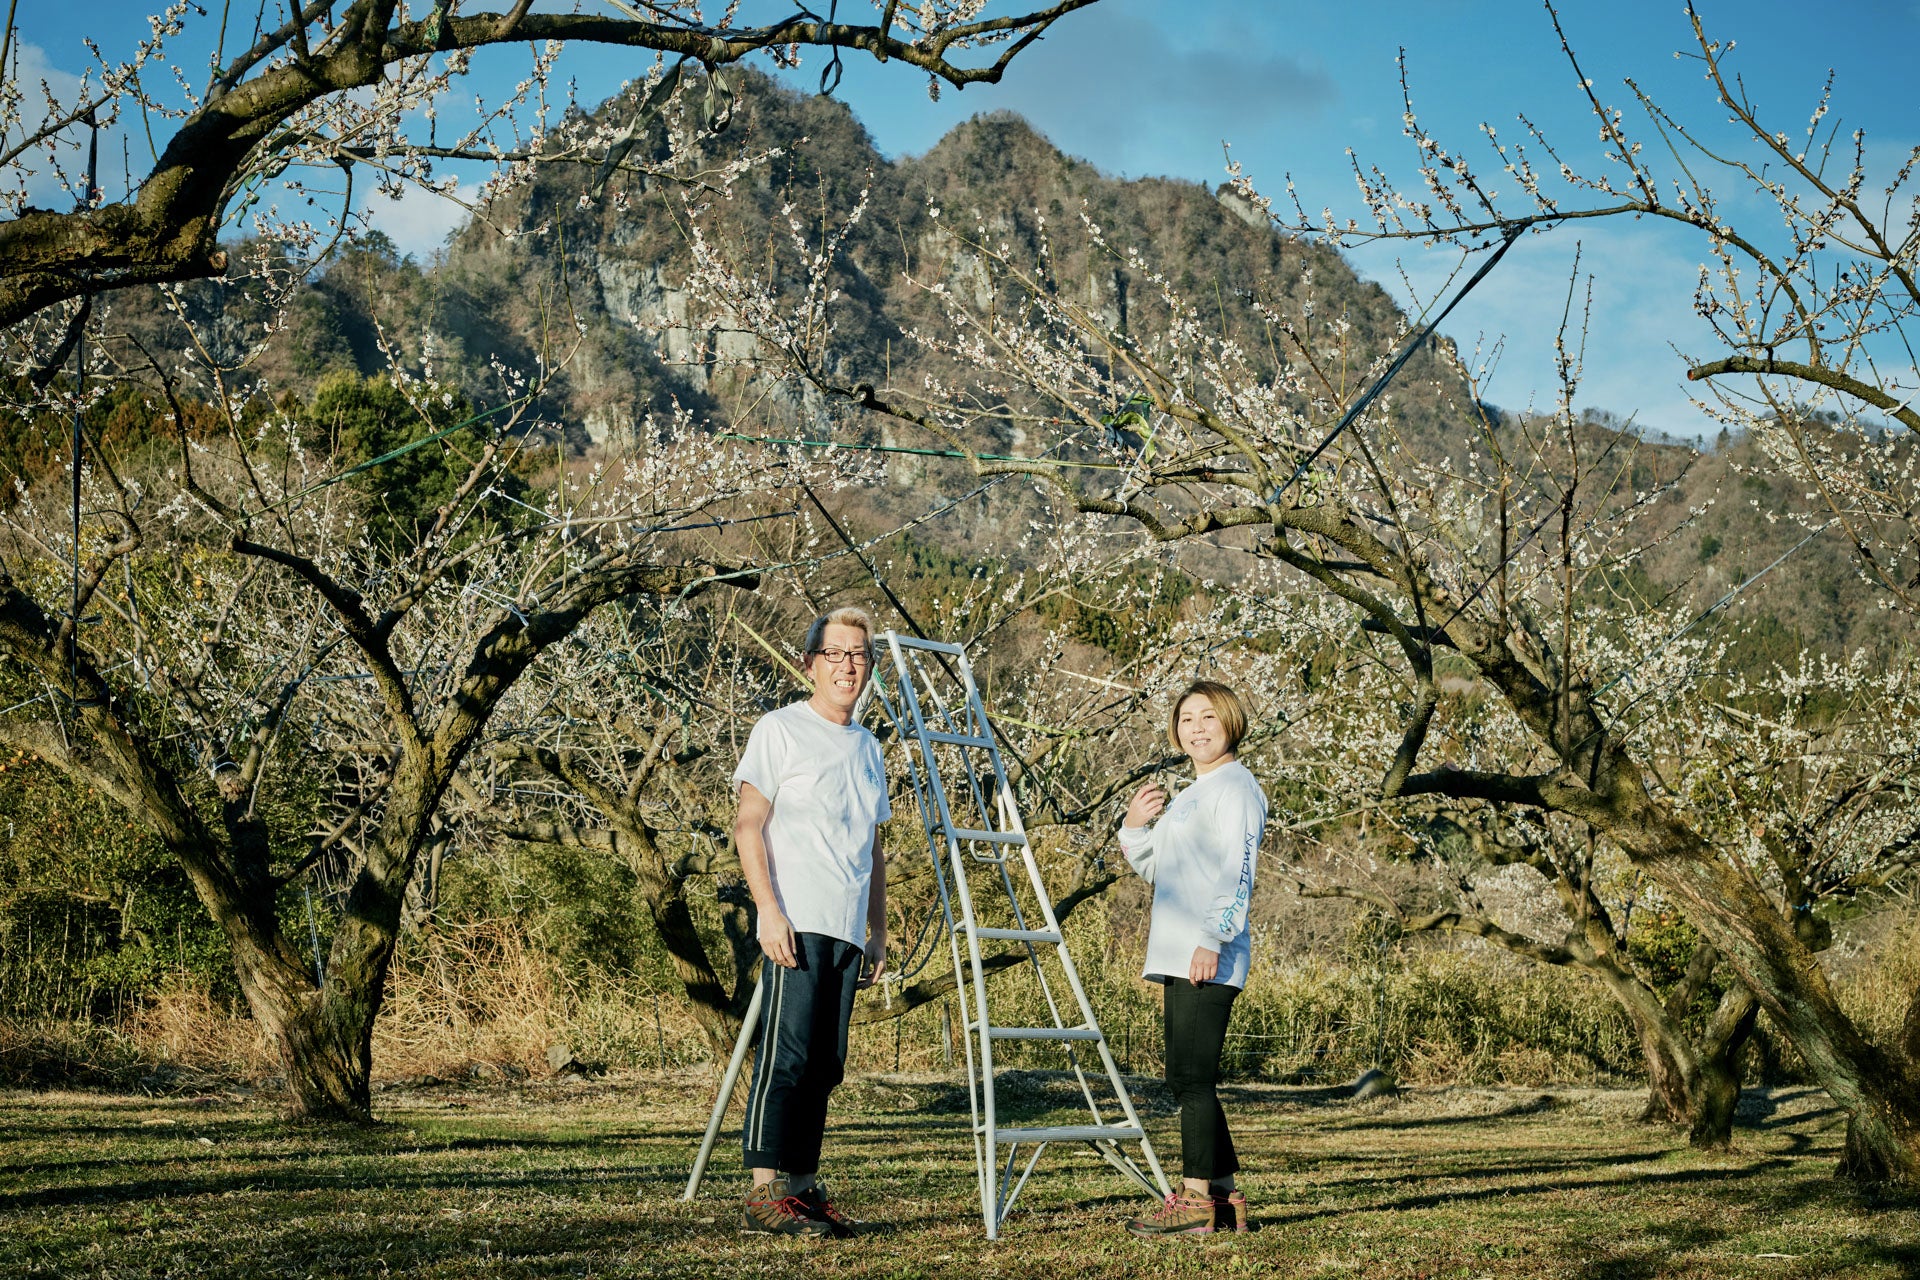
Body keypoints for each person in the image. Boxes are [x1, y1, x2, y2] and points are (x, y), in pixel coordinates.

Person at [732, 605, 892, 1239]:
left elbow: (873, 848)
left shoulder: (869, 748)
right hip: (794, 919)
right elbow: (748, 824)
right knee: (788, 1054)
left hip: (847, 928)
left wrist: (877, 930)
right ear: (810, 664)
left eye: (859, 655)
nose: (848, 665)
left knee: (827, 1063)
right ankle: (763, 1191)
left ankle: (801, 1189)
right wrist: (768, 911)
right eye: (835, 653)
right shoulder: (780, 729)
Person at [1116, 680, 1267, 1238]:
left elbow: (1239, 871)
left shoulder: (1237, 787)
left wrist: (1213, 938)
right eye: (1186, 719)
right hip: (1178, 952)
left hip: (1208, 953)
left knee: (1193, 1080)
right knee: (1185, 1078)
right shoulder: (1192, 794)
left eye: (1207, 717)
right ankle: (1225, 1196)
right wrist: (1135, 827)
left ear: (1230, 721)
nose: (1196, 728)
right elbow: (1161, 870)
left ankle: (1195, 1201)